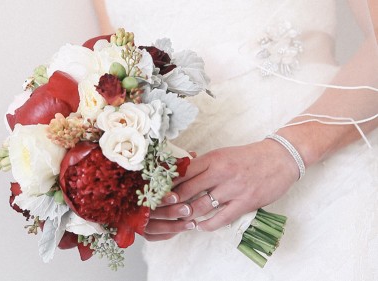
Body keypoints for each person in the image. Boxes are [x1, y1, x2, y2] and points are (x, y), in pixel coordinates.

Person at [93, 0, 378, 280]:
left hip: (331, 181)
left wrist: (287, 153)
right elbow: (117, 92)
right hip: (195, 233)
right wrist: (135, 199)